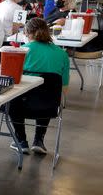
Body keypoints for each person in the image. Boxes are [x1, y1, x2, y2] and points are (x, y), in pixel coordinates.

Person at [8, 18, 69, 155]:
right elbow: (64, 89)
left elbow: (10, 81)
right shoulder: (62, 54)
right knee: (47, 94)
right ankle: (39, 140)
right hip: (49, 107)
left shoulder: (22, 51)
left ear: (27, 33)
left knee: (14, 97)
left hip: (20, 107)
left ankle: (21, 140)